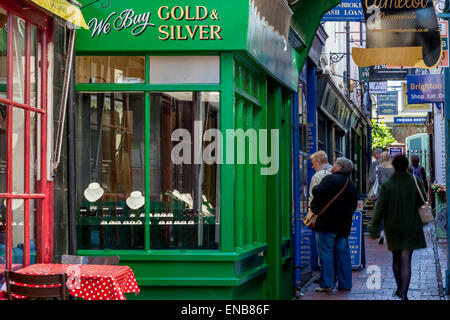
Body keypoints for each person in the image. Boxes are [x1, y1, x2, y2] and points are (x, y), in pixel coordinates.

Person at [370, 154, 426, 300]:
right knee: (406, 259)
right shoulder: (414, 181)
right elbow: (422, 200)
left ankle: (399, 288)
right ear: (407, 165)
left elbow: (379, 209)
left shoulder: (388, 185)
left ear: (394, 166)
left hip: (393, 226)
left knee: (396, 258)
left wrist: (374, 229)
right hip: (411, 225)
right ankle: (404, 294)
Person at [310, 157, 358, 292]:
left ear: (340, 167)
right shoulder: (351, 184)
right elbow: (353, 206)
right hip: (343, 226)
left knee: (326, 253)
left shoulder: (330, 179)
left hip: (326, 224)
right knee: (342, 255)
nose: (333, 165)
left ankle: (327, 283)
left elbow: (318, 194)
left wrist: (315, 188)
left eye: (335, 163)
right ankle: (345, 283)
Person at [308, 151, 333, 284]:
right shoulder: (334, 172)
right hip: (337, 218)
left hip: (322, 219)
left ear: (318, 162)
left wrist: (311, 218)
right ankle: (333, 277)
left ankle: (326, 278)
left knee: (324, 250)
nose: (312, 166)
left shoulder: (318, 176)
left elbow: (313, 200)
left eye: (312, 163)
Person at [368, 151, 395, 245]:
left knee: (378, 215)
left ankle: (379, 232)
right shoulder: (394, 169)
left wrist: (368, 191)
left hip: (380, 194)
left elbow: (371, 180)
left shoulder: (378, 168)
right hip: (392, 195)